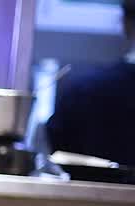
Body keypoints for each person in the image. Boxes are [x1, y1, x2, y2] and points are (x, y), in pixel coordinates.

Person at [45, 0, 135, 166]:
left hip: (91, 190)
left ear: (125, 24)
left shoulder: (81, 90)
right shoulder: (82, 90)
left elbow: (58, 147)